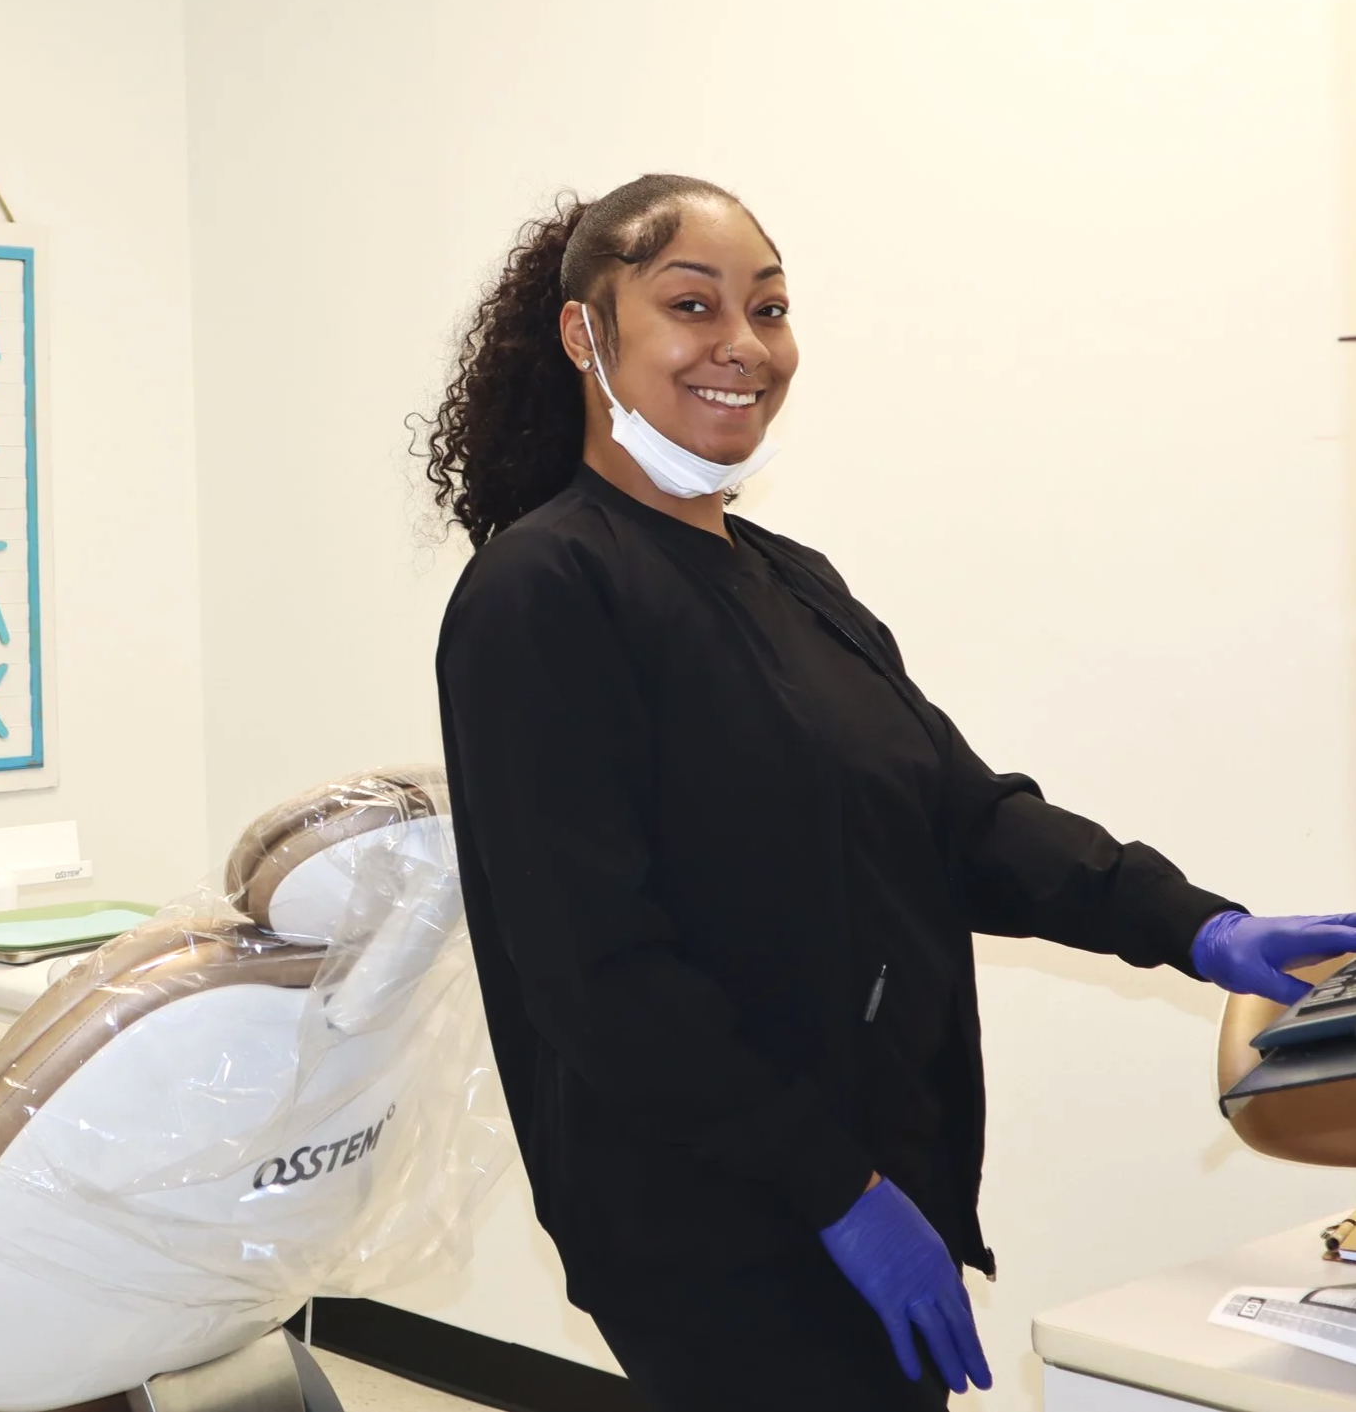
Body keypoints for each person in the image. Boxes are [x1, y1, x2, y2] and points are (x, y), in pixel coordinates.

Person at [422, 174, 1356, 1411]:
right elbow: (596, 973)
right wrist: (834, 1192)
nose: (742, 346)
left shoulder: (787, 577)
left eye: (769, 306)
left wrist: (1192, 924)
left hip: (866, 1171)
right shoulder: (541, 591)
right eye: (689, 304)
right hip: (713, 1213)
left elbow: (961, 820)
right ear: (584, 332)